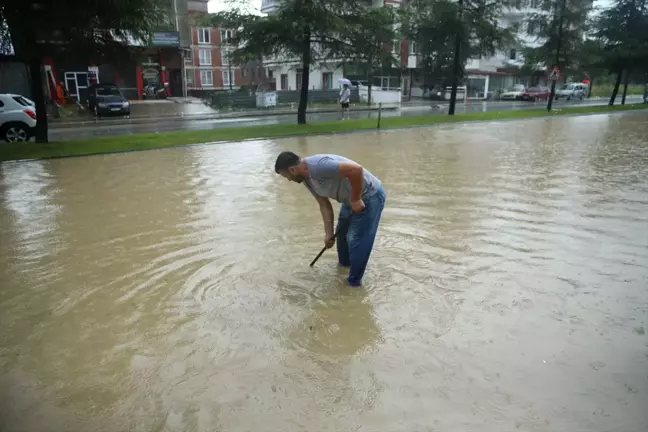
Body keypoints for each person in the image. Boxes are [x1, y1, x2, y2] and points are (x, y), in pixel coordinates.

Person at [275, 151, 386, 287]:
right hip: (350, 199)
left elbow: (356, 169)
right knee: (342, 238)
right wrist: (328, 233)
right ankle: (344, 269)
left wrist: (356, 199)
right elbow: (324, 204)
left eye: (286, 175)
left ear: (292, 169)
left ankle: (353, 283)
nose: (288, 179)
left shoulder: (318, 166)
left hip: (369, 195)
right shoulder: (307, 179)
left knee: (355, 238)